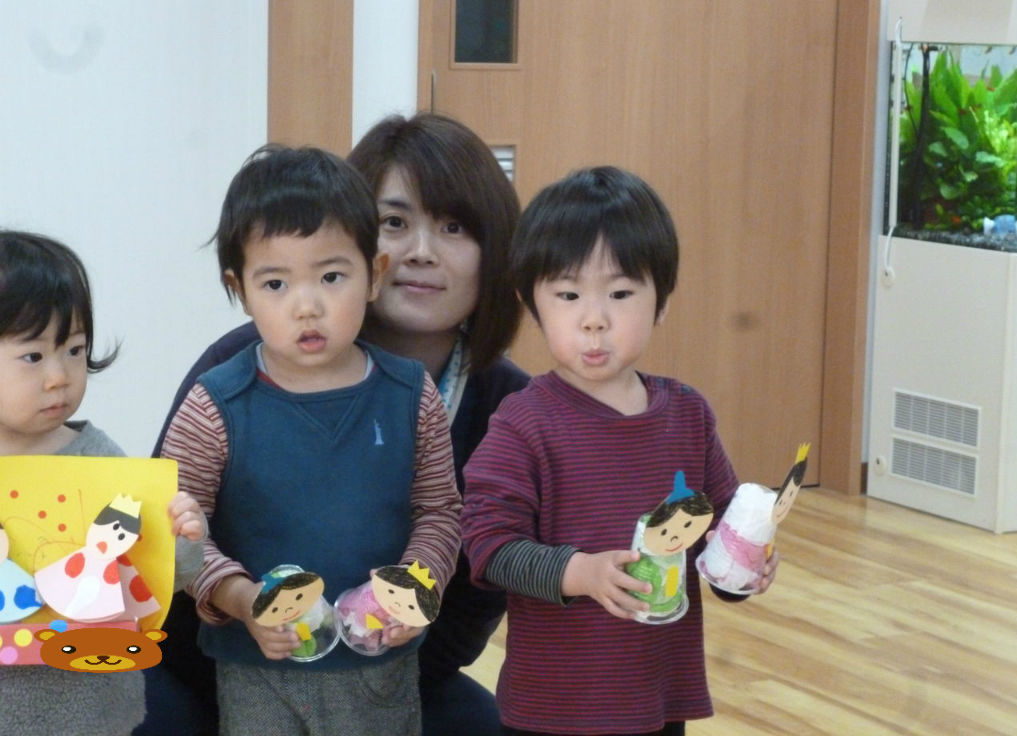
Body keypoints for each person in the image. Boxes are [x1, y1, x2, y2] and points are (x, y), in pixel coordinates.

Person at [140, 112, 526, 736]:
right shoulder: (226, 384)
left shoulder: (474, 400)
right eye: (396, 220)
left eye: (453, 226)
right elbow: (175, 530)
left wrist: (405, 604)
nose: (420, 251)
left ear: (368, 267)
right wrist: (242, 603)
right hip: (232, 667)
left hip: (389, 668)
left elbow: (449, 532)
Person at [460, 166, 780, 736]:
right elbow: (488, 546)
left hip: (658, 698)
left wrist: (742, 566)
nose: (594, 319)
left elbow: (719, 531)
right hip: (554, 710)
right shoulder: (522, 423)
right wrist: (579, 572)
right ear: (532, 305)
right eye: (567, 295)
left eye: (621, 293)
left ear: (661, 301)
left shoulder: (688, 415)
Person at [0, 230, 206, 736]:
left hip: (92, 711)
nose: (60, 376)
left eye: (74, 349)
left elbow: (165, 576)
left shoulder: (98, 458)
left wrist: (183, 535)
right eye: (34, 356)